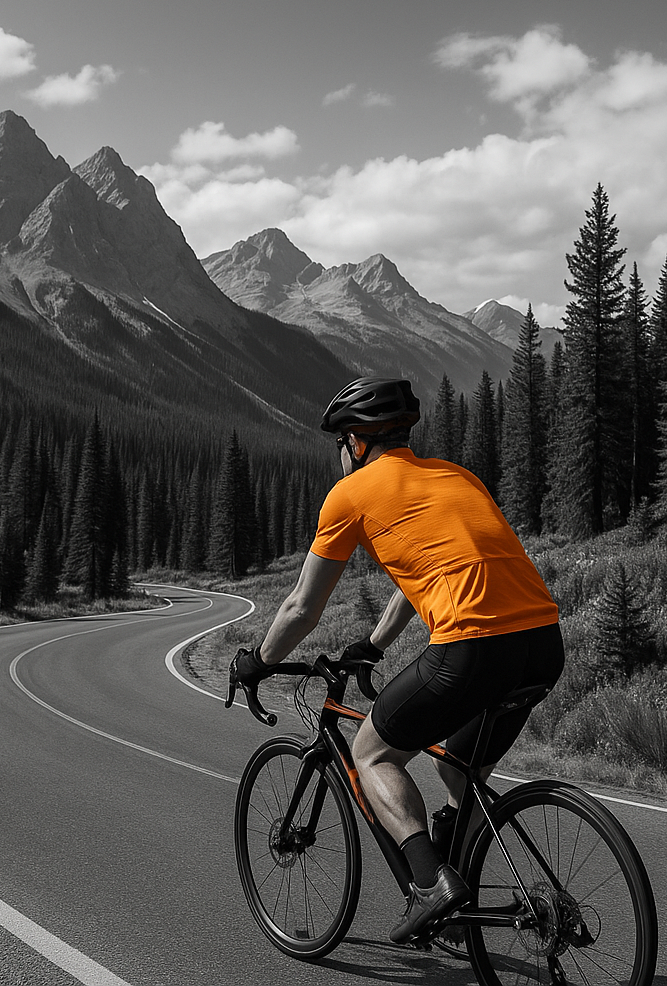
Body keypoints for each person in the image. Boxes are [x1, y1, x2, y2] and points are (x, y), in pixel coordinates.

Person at [230, 376, 564, 945]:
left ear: (358, 442)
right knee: (456, 767)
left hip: (472, 645)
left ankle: (432, 885)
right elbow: (430, 572)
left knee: (372, 752)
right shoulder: (456, 477)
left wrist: (258, 661)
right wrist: (376, 645)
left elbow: (301, 608)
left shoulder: (352, 494)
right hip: (541, 643)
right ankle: (465, 904)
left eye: (340, 441)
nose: (339, 453)